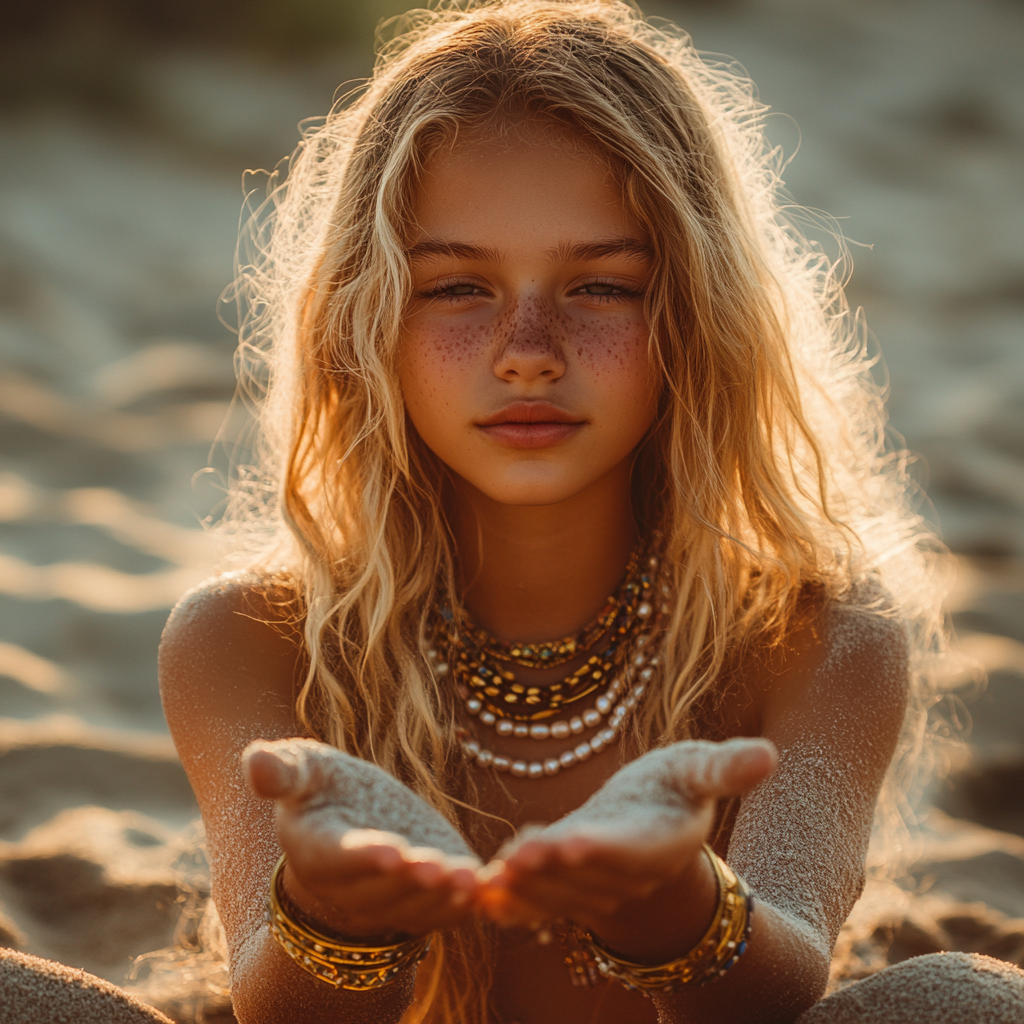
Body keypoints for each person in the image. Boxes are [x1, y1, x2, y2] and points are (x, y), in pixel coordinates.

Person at [6, 2, 1022, 1023]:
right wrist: (333, 908)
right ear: (367, 318)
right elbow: (280, 1003)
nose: (528, 347)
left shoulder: (815, 639)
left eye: (602, 286)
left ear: (699, 315)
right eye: (456, 287)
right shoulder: (249, 639)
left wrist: (671, 900)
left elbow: (778, 982)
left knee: (957, 1002)